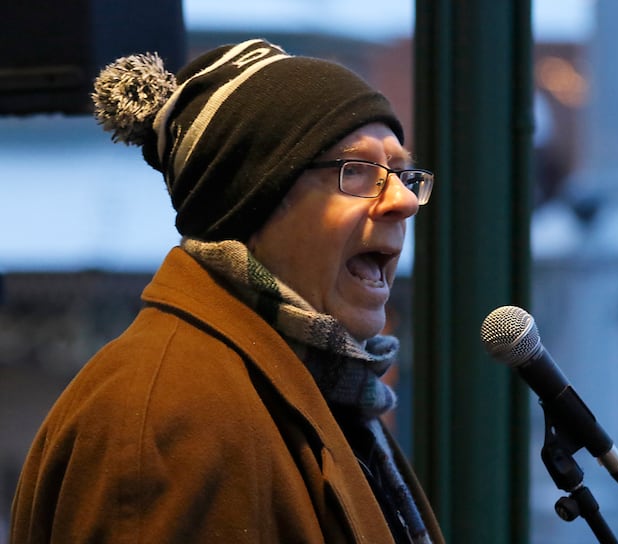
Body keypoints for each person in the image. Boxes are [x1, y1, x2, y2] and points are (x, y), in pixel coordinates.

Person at [9, 38, 442, 543]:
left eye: (401, 173)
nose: (404, 202)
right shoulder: (172, 412)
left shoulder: (318, 392)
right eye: (359, 171)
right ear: (254, 199)